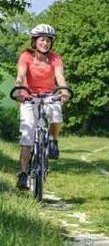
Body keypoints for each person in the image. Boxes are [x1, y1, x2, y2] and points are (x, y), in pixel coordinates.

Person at [15, 24, 70, 190]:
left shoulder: (55, 58)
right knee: (27, 135)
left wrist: (64, 90)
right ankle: (23, 174)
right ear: (35, 41)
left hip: (49, 95)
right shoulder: (26, 56)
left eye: (48, 40)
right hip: (28, 96)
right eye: (42, 40)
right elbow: (21, 74)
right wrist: (18, 86)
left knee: (56, 114)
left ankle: (53, 140)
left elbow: (60, 77)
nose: (45, 43)